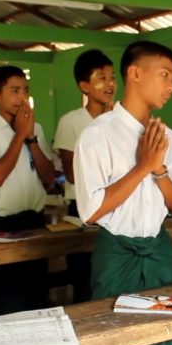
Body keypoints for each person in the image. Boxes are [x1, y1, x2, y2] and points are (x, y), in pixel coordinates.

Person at [74, 41, 172, 345]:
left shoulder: (167, 136)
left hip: (159, 253)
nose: (171, 86)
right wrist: (142, 167)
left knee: (168, 339)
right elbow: (91, 211)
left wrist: (158, 170)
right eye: (164, 75)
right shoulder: (97, 135)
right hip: (117, 257)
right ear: (135, 73)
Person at [0, 65, 55, 316]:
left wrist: (31, 138)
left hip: (34, 220)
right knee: (7, 296)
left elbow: (49, 178)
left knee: (36, 295)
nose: (22, 98)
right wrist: (20, 135)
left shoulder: (35, 129)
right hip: (3, 224)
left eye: (25, 91)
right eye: (15, 91)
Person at [53, 49, 116, 303]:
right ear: (84, 86)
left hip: (115, 207)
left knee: (111, 281)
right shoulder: (71, 122)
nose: (110, 84)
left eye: (112, 77)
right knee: (84, 284)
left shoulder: (119, 121)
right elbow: (71, 174)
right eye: (101, 78)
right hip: (81, 211)